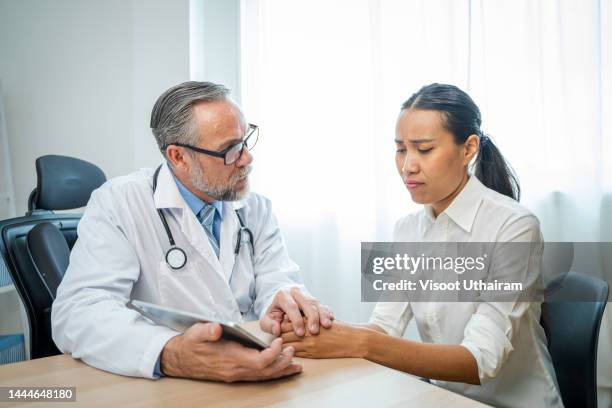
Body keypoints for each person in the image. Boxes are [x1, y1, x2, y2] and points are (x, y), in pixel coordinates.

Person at [281, 84, 563, 407]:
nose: (407, 166)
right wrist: (317, 330)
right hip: (441, 399)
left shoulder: (514, 227)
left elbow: (479, 361)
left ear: (468, 149)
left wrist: (359, 342)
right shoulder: (407, 230)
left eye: (424, 149)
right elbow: (384, 327)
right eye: (401, 149)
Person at [52, 81, 333, 382]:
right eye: (230, 149)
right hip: (170, 388)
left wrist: (283, 301)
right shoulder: (120, 203)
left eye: (245, 140)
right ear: (178, 157)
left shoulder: (255, 209)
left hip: (256, 370)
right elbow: (78, 312)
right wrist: (170, 354)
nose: (247, 158)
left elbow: (276, 278)